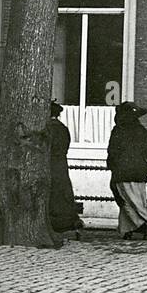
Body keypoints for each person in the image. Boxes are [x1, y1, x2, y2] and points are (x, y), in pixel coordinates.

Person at [106, 101, 147, 239]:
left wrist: (112, 166)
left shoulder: (118, 130)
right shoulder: (141, 131)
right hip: (139, 171)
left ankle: (142, 225)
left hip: (121, 171)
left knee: (125, 201)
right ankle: (132, 228)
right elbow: (145, 153)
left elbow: (112, 152)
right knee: (139, 201)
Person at [46, 100, 84, 236]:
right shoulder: (63, 129)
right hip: (62, 164)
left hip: (49, 164)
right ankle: (69, 221)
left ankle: (55, 223)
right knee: (63, 192)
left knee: (52, 193)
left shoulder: (47, 129)